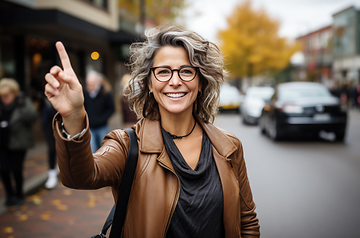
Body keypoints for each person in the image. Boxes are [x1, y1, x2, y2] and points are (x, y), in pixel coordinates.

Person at [44, 26, 260, 237]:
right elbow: (80, 178)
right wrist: (73, 116)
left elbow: (246, 220)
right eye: (163, 72)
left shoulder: (229, 146)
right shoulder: (127, 145)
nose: (175, 81)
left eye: (186, 71)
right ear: (149, 82)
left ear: (201, 82)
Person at [0, 78, 37, 206]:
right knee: (3, 169)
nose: (4, 99)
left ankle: (19, 195)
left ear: (14, 94)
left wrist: (21, 108)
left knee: (17, 169)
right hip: (3, 143)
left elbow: (32, 116)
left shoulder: (23, 102)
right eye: (2, 96)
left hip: (18, 143)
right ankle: (9, 196)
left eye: (6, 96)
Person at [84, 70, 115, 153]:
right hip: (90, 127)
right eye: (88, 85)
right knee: (92, 150)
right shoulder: (85, 94)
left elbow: (112, 109)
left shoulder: (105, 93)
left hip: (102, 126)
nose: (89, 87)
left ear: (97, 83)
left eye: (91, 85)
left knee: (104, 149)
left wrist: (102, 119)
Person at [41, 97, 58, 189]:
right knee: (52, 150)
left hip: (64, 128)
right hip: (50, 129)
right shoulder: (46, 102)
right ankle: (52, 175)